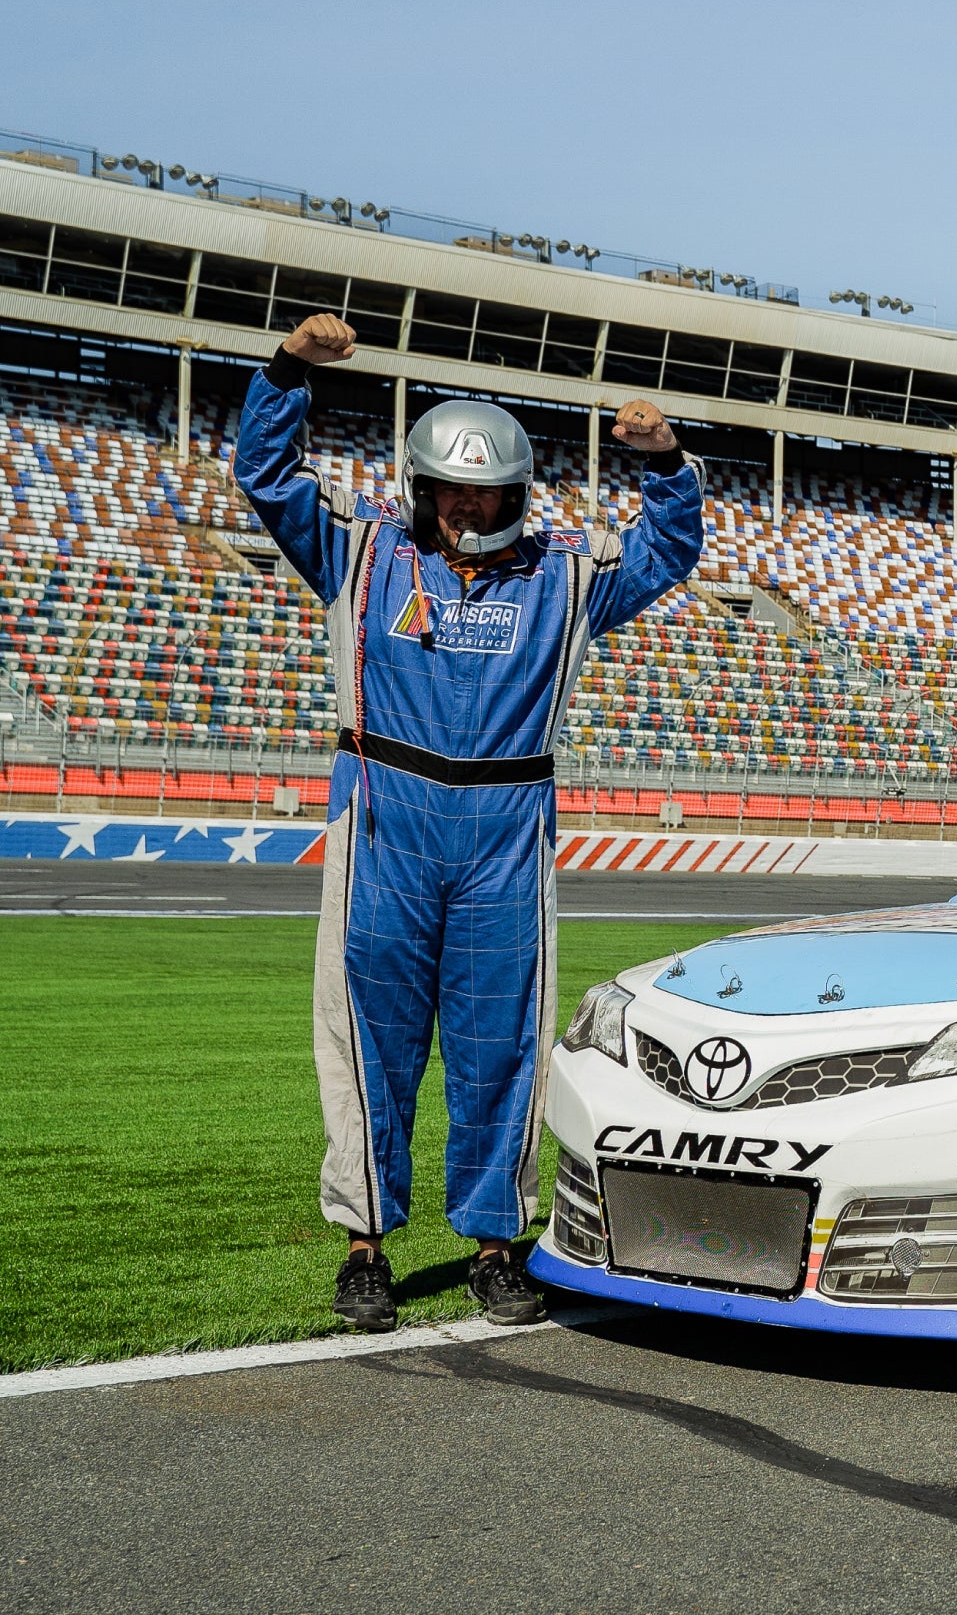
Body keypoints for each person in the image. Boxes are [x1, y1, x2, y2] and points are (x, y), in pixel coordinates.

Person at [236, 311, 704, 1332]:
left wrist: (664, 460)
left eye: (486, 490)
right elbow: (267, 476)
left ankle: (496, 1243)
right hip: (385, 817)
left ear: (516, 492)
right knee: (369, 1039)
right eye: (450, 489)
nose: (467, 506)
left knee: (505, 1043)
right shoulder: (358, 556)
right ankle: (366, 1245)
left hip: (507, 824)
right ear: (422, 489)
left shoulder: (567, 575)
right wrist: (288, 371)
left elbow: (670, 551)